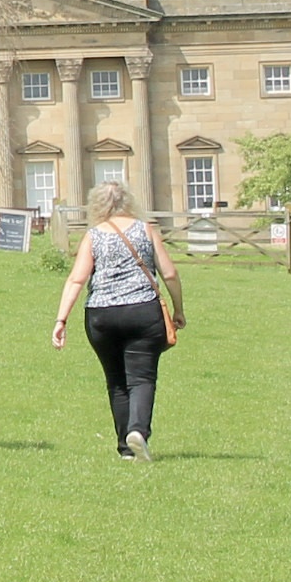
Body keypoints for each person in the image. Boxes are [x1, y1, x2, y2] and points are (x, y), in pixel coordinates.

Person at [52, 182, 184, 460]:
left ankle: (126, 449)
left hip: (101, 315)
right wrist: (178, 309)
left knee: (116, 381)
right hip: (143, 310)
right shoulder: (145, 229)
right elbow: (170, 274)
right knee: (142, 378)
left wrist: (61, 319)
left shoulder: (93, 235)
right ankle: (138, 431)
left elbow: (76, 279)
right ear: (129, 201)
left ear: (97, 205)